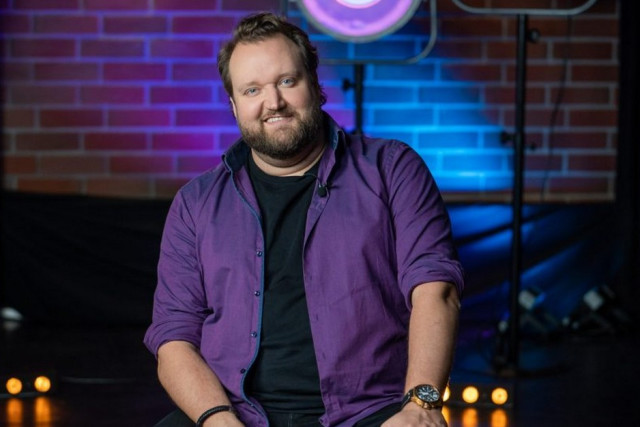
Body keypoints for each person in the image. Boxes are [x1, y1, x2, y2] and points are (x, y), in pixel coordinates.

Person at [144, 11, 464, 427]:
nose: (273, 102)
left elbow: (436, 290)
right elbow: (173, 338)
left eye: (286, 81)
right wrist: (217, 418)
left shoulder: (392, 169)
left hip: (372, 411)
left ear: (315, 84)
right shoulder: (196, 203)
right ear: (234, 105)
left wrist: (421, 405)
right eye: (252, 89)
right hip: (235, 411)